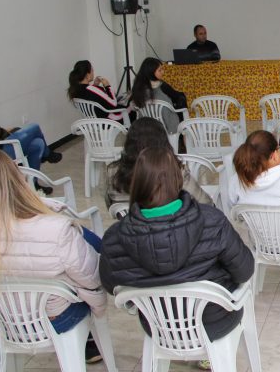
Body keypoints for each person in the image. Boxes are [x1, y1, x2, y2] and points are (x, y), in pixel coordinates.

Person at [0, 149, 105, 362]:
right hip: (55, 318)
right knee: (84, 255)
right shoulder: (53, 227)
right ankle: (87, 342)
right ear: (14, 177)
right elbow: (91, 278)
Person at [100, 146, 254, 344]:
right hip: (214, 321)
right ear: (178, 178)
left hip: (157, 327)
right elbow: (244, 270)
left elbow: (111, 285)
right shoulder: (212, 221)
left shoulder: (114, 237)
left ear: (135, 182)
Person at [105, 118, 212, 208]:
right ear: (163, 143)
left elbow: (111, 206)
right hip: (168, 230)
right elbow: (205, 204)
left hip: (129, 229)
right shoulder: (176, 171)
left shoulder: (113, 171)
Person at [130, 57, 187, 135]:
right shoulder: (163, 86)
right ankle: (184, 138)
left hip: (145, 125)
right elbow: (177, 97)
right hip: (167, 125)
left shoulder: (137, 87)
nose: (163, 72)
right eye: (160, 70)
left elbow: (133, 106)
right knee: (181, 101)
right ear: (151, 72)